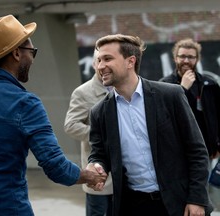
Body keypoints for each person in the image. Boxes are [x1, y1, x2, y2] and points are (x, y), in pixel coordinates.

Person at [0, 14, 107, 216]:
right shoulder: (26, 103)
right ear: (17, 53)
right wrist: (88, 176)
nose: (32, 58)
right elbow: (55, 166)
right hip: (9, 208)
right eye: (32, 51)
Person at [85, 34, 213, 216]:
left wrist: (197, 199)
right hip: (134, 206)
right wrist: (96, 165)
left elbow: (197, 151)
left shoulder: (170, 95)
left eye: (107, 59)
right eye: (98, 60)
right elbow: (99, 153)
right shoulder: (99, 112)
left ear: (130, 61)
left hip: (180, 203)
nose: (100, 66)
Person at [64, 49, 113, 216]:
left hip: (124, 174)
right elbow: (71, 125)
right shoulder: (82, 92)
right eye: (98, 61)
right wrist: (100, 135)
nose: (103, 65)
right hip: (98, 173)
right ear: (93, 64)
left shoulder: (123, 89)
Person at [159, 38, 220, 159]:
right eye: (182, 56)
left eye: (191, 57)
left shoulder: (209, 84)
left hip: (205, 150)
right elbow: (163, 118)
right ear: (175, 58)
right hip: (178, 152)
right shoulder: (163, 85)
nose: (186, 61)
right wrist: (183, 89)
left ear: (197, 59)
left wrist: (218, 146)